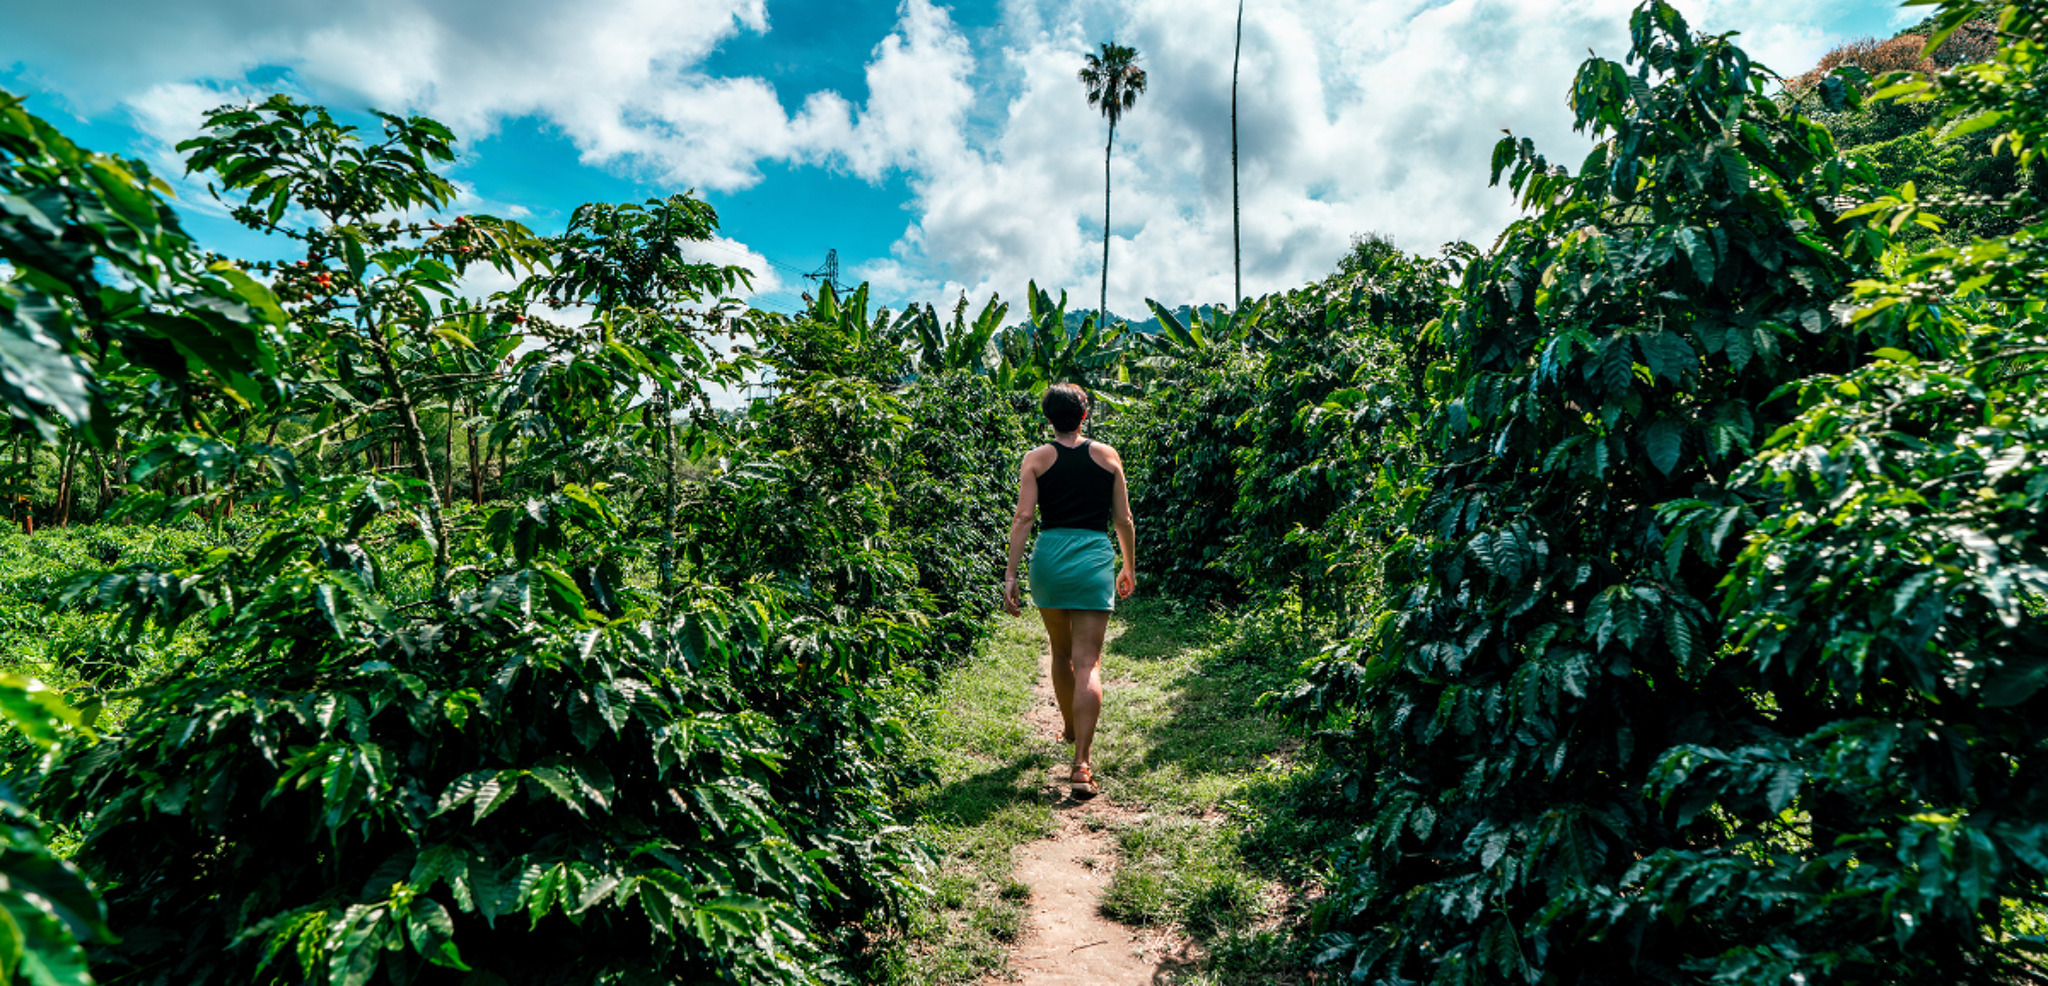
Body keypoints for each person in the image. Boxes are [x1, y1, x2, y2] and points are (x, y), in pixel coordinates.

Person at [1003, 382, 1137, 799]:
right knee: (1089, 662)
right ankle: (1081, 763)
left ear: (1049, 418)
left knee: (1060, 654)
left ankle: (1067, 723)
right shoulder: (1108, 456)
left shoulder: (1036, 459)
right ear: (1084, 415)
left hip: (1050, 560)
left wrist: (1010, 574)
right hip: (1094, 559)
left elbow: (1024, 517)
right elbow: (1124, 519)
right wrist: (1129, 565)